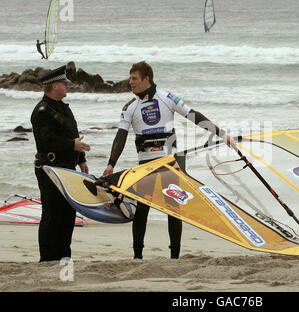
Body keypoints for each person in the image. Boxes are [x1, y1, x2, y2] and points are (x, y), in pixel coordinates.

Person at [103, 61, 235, 260]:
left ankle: (175, 256)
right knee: (142, 211)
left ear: (147, 79)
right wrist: (111, 163)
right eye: (130, 78)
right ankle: (137, 256)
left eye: (134, 78)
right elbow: (120, 137)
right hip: (145, 164)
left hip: (170, 162)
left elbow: (194, 116)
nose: (130, 82)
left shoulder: (168, 98)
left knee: (174, 209)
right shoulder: (129, 107)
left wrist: (221, 133)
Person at [31, 65, 90, 262]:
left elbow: (74, 135)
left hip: (68, 169)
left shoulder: (64, 108)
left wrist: (81, 160)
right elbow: (47, 141)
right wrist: (73, 145)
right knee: (51, 215)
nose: (67, 86)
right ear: (54, 86)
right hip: (49, 169)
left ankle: (64, 256)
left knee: (67, 215)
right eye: (64, 84)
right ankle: (47, 259)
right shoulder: (41, 112)